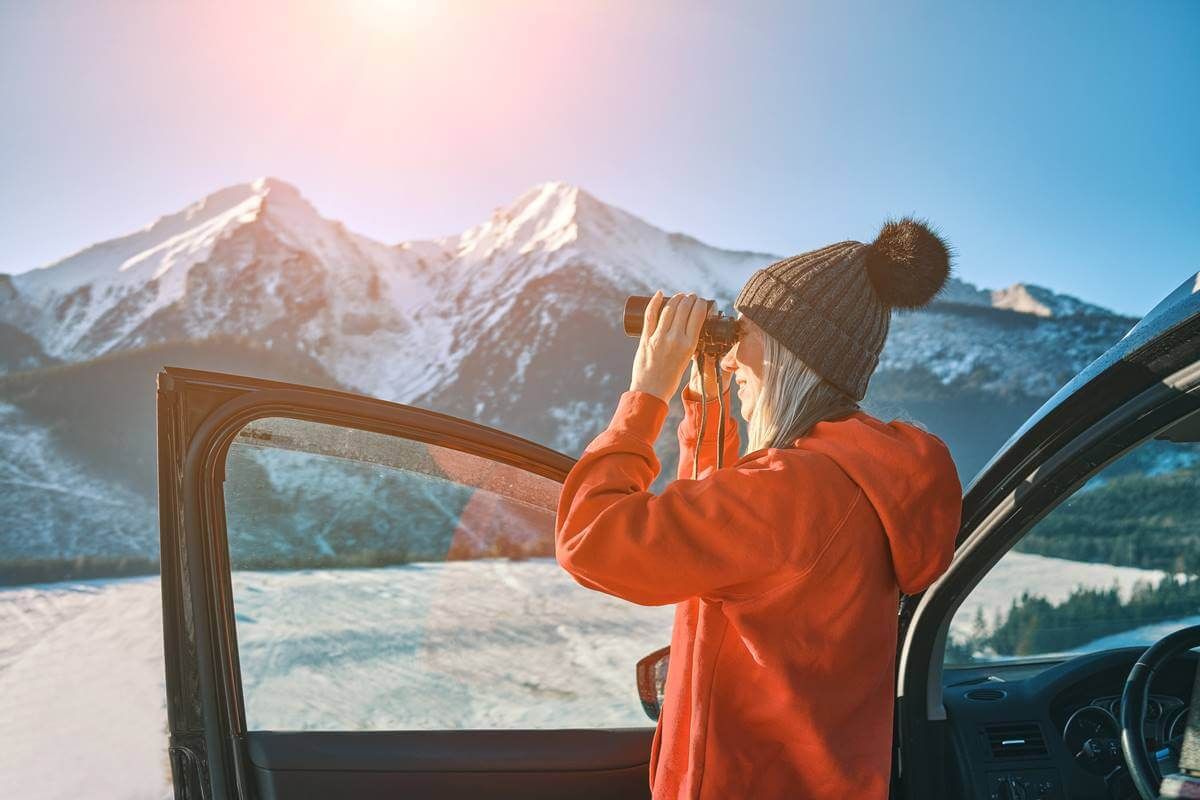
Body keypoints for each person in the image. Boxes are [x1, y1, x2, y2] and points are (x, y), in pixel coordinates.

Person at [553, 218, 964, 799]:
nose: (727, 361)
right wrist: (707, 403)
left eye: (739, 337)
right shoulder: (850, 477)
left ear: (786, 351)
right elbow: (725, 523)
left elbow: (591, 540)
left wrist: (646, 396)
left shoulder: (793, 492)